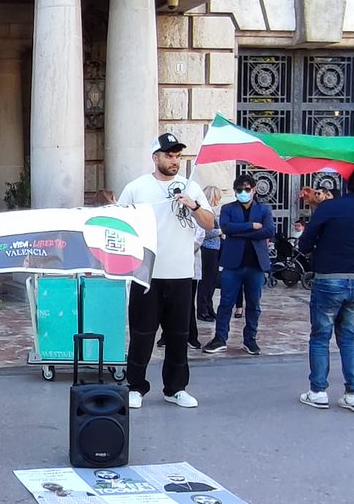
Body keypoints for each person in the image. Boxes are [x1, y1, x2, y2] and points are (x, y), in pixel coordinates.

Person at [117, 132, 214, 409]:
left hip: (181, 274)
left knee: (178, 336)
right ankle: (135, 385)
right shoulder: (137, 187)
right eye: (169, 155)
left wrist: (193, 204)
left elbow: (209, 223)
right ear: (155, 157)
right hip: (146, 274)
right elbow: (118, 222)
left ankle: (175, 388)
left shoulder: (190, 187)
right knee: (142, 334)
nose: (174, 160)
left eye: (177, 155)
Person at [296, 163, 354, 412]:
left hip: (328, 279)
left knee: (321, 336)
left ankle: (318, 391)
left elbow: (305, 241)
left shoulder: (330, 207)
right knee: (348, 338)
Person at [203, 173, 275, 356]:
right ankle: (220, 338)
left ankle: (250, 340)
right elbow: (226, 228)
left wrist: (240, 231)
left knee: (254, 304)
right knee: (226, 303)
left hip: (255, 265)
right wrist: (251, 226)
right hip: (232, 264)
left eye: (247, 189)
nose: (243, 192)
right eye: (239, 190)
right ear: (235, 191)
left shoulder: (264, 210)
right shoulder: (228, 208)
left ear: (253, 190)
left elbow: (268, 231)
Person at [196, 185, 223, 321]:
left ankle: (209, 307)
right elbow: (204, 232)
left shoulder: (210, 212)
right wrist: (220, 231)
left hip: (214, 249)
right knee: (206, 281)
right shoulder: (204, 212)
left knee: (211, 281)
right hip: (207, 249)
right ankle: (202, 310)